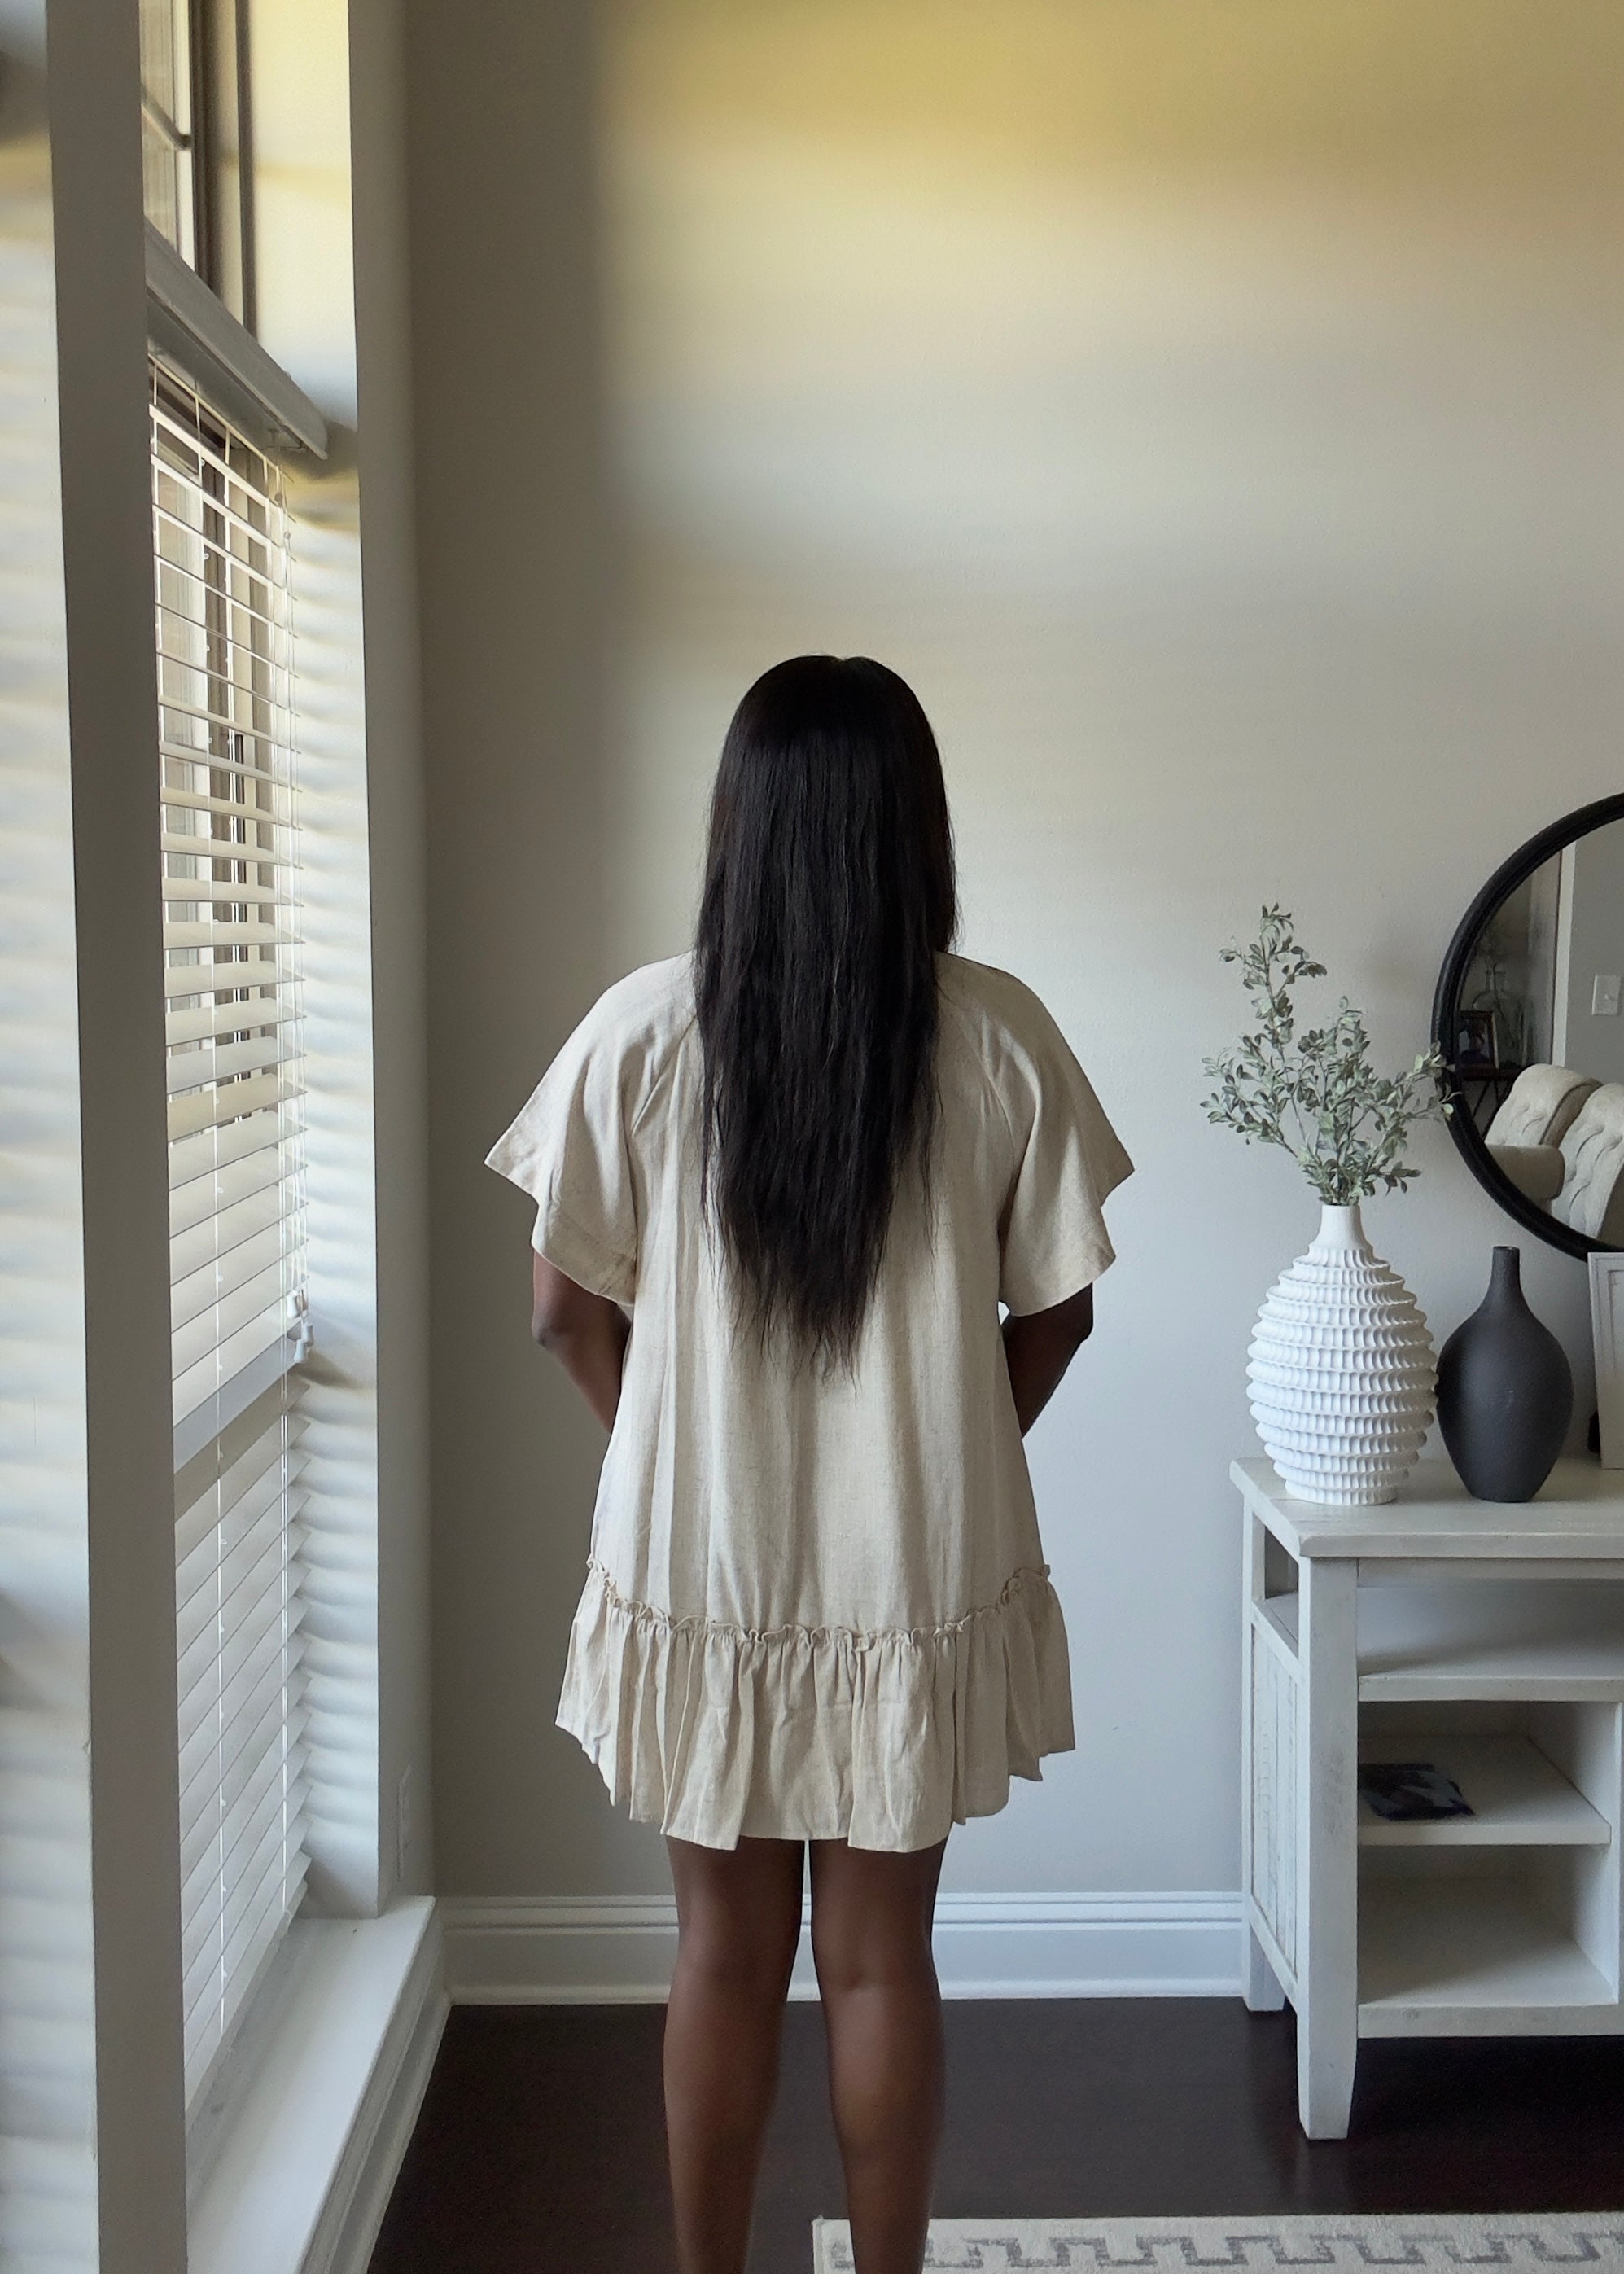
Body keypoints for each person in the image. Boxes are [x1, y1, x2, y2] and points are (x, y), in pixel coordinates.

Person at [487, 655, 1132, 2274]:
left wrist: (657, 1450)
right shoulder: (998, 1037)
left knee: (717, 1953)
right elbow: (1061, 1309)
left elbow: (560, 1309)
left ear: (739, 824)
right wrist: (951, 1458)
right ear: (914, 826)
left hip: (698, 1562)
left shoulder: (639, 1030)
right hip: (910, 1569)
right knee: (879, 1960)